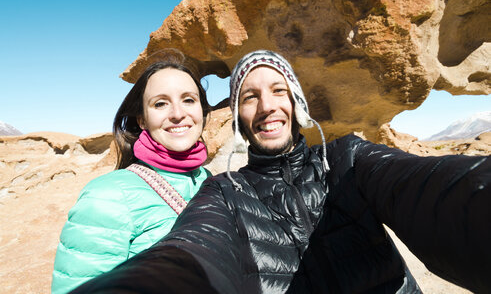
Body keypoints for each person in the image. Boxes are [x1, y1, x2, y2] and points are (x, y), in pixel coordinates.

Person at [71, 50, 491, 294]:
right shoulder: (223, 192)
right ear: (237, 116)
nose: (268, 106)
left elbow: (432, 190)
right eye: (250, 96)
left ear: (298, 104)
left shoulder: (345, 159)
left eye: (278, 91)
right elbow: (193, 249)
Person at [51, 49, 212, 294]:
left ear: (202, 110)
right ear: (142, 120)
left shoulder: (210, 180)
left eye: (189, 99)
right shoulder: (107, 195)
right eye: (160, 103)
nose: (178, 114)